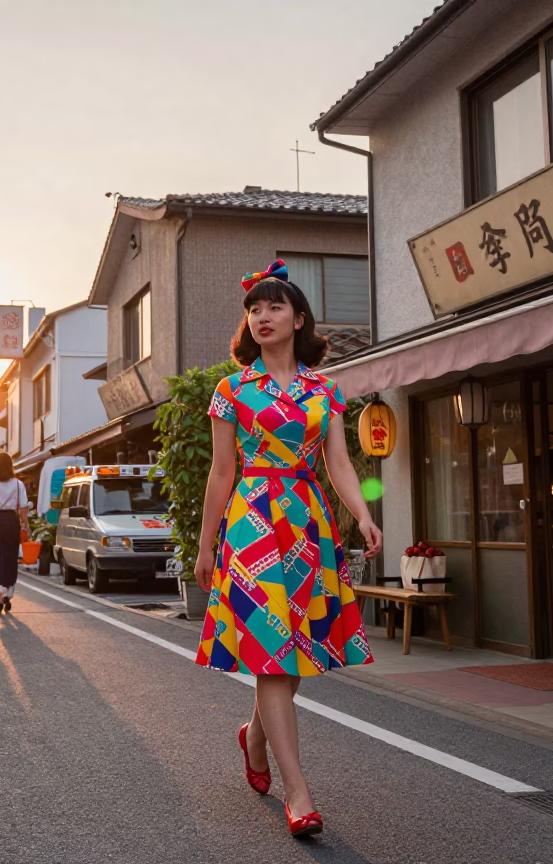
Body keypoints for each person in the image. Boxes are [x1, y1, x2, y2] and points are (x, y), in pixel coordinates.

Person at [193, 260, 381, 838]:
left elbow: (339, 463)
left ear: (299, 319)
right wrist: (206, 546)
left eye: (275, 307)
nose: (262, 316)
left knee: (291, 655)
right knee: (274, 655)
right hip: (251, 525)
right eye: (254, 309)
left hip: (308, 526)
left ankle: (253, 737)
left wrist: (363, 514)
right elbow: (222, 473)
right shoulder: (233, 389)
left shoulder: (324, 390)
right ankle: (298, 792)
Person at [0, 451, 29, 614]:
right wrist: (26, 525)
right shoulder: (18, 484)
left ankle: (0, 591)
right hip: (11, 521)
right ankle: (8, 593)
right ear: (10, 466)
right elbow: (23, 507)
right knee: (10, 557)